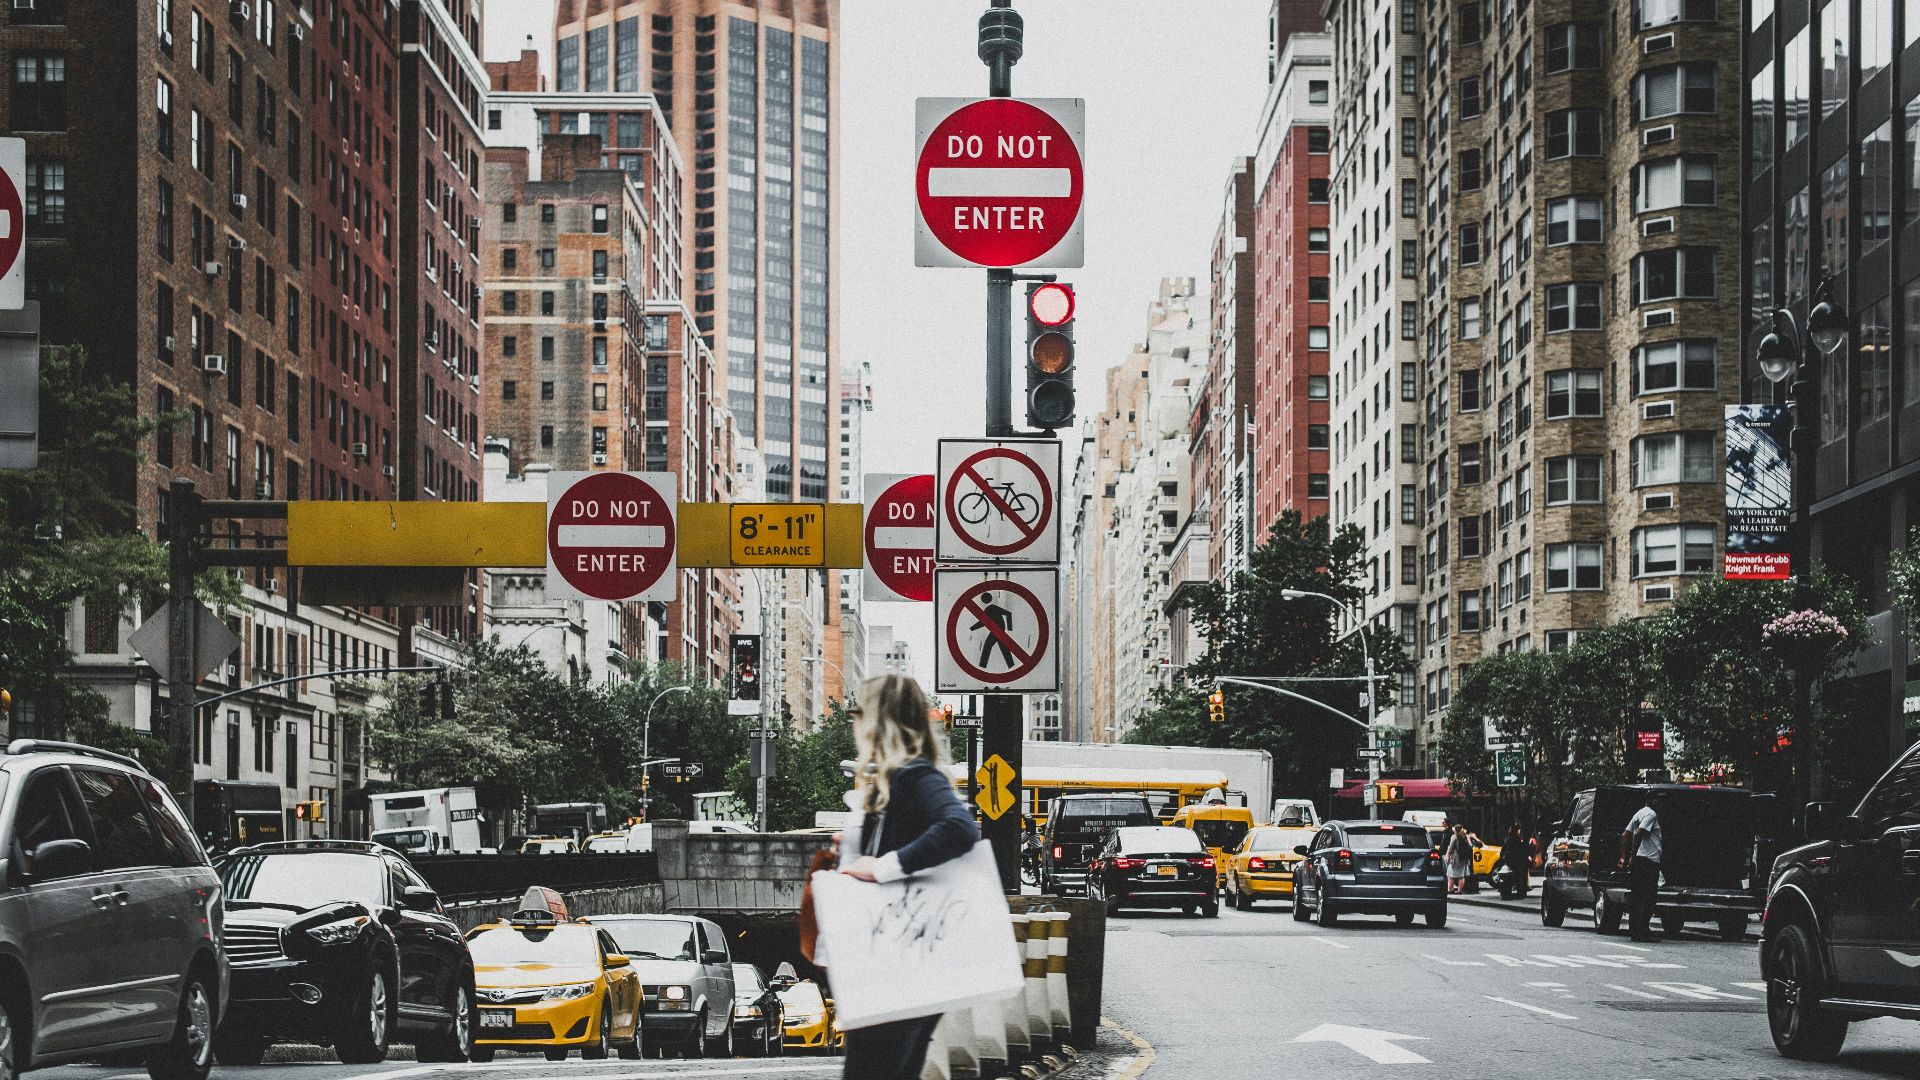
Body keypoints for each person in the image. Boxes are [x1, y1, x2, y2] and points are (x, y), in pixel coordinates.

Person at [836, 674, 982, 1080]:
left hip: (901, 961)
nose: (854, 723)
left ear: (878, 721)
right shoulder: (896, 779)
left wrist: (882, 867)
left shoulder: (914, 776)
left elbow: (960, 828)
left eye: (859, 713)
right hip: (902, 958)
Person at [1621, 793, 1664, 942]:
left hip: (1640, 861)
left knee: (1637, 896)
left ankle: (1634, 931)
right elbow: (1638, 834)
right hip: (1649, 861)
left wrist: (1624, 858)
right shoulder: (1651, 814)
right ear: (1651, 800)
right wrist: (1632, 854)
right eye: (1657, 799)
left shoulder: (1639, 813)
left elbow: (1625, 835)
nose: (1659, 801)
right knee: (1648, 897)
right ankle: (1643, 930)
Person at [1499, 824, 1533, 898]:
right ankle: (1521, 892)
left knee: (1517, 875)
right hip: (1516, 861)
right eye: (1519, 829)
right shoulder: (1516, 839)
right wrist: (1526, 857)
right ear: (1517, 830)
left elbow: (1503, 850)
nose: (1519, 831)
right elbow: (1519, 851)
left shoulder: (1509, 839)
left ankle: (1517, 890)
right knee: (1520, 875)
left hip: (1510, 860)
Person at [1444, 823, 1475, 895]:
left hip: (1456, 858)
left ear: (1455, 830)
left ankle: (1450, 889)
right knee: (1461, 875)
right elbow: (1470, 846)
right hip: (1464, 858)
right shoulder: (1466, 836)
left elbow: (1451, 847)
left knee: (1451, 874)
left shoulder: (1454, 837)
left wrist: (1448, 855)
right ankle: (1459, 890)